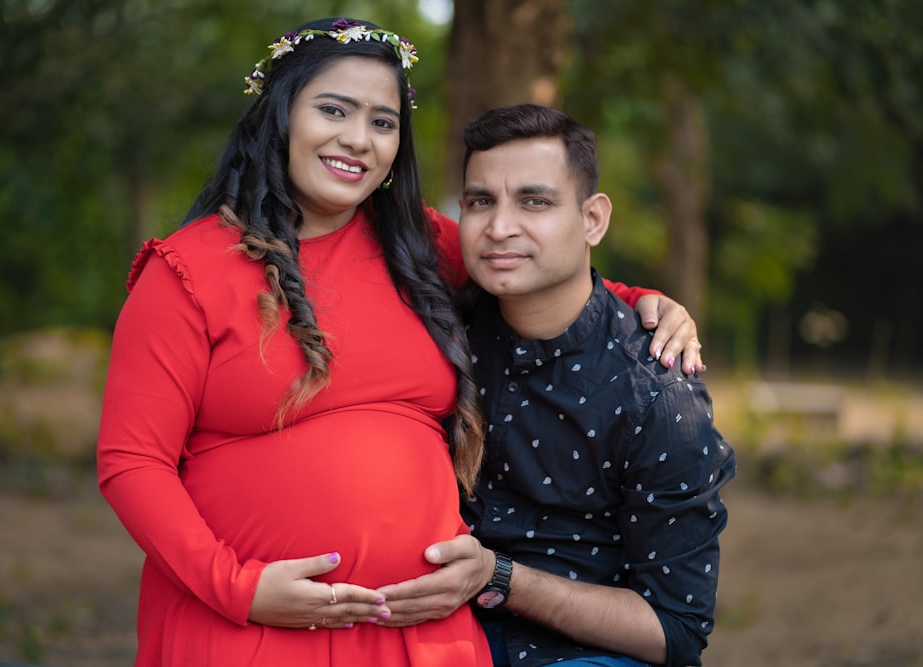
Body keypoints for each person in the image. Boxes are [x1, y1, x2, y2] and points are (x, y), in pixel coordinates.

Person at [96, 16, 702, 666]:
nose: (358, 139)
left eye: (383, 122)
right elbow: (132, 460)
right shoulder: (186, 270)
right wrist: (239, 588)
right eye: (334, 109)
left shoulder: (416, 243)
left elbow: (534, 263)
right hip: (250, 626)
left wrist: (641, 302)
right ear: (279, 116)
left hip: (420, 633)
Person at [377, 104, 736, 667]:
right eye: (480, 202)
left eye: (534, 201)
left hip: (585, 655)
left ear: (592, 219)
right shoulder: (440, 328)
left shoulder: (659, 395)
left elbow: (675, 629)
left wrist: (499, 579)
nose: (499, 228)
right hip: (428, 637)